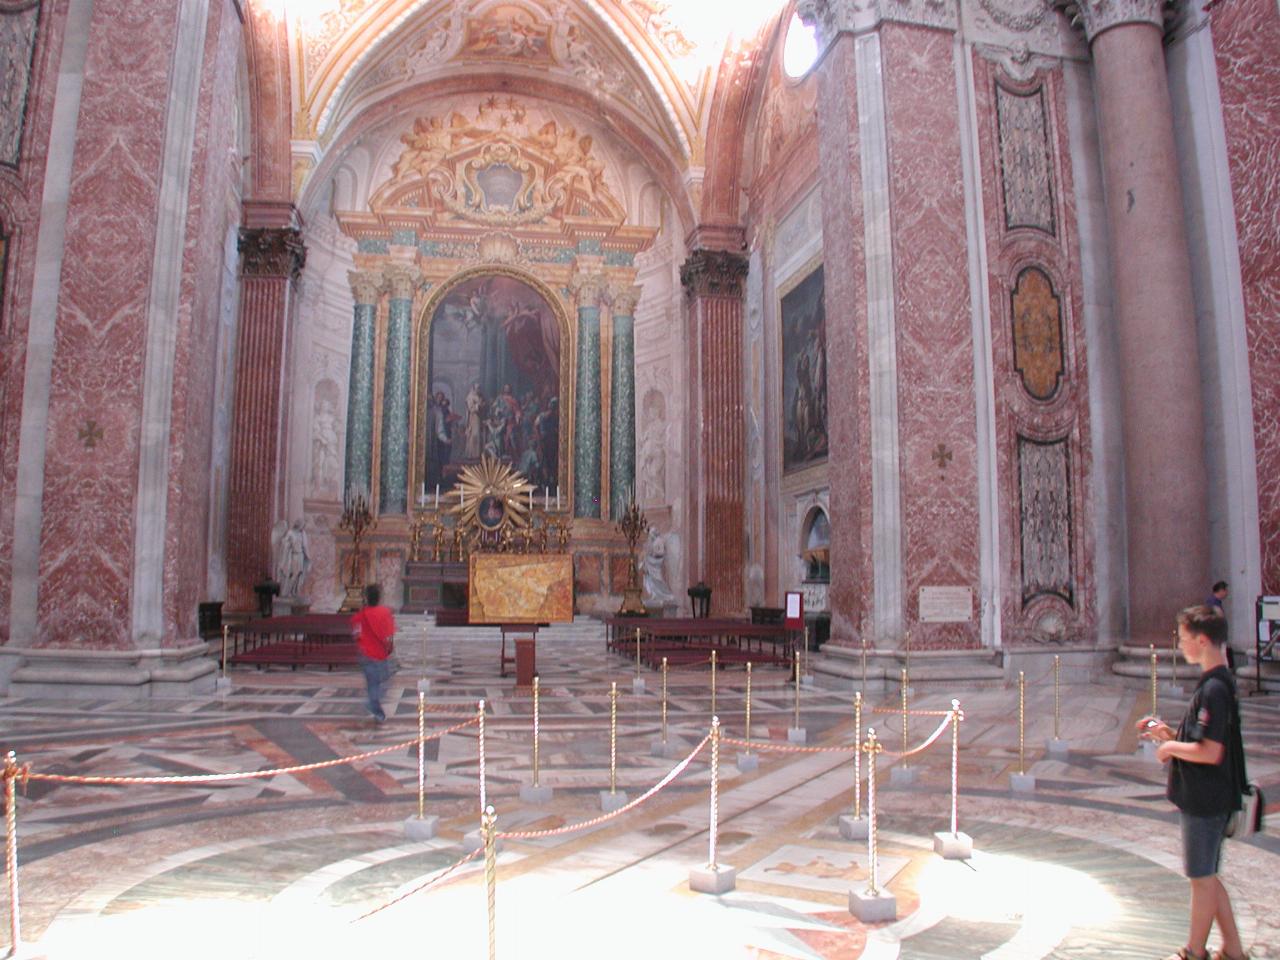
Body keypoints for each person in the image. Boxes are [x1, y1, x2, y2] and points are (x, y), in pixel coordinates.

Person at [1138, 606, 1248, 960]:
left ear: (1202, 640)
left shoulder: (1214, 688)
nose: (1182, 645)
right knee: (1208, 876)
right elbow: (1203, 739)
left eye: (1185, 639)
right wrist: (1168, 734)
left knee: (1201, 878)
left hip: (1205, 799)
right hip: (1210, 796)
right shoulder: (1217, 683)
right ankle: (1232, 948)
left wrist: (1170, 747)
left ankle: (1194, 951)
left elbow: (1211, 751)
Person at [351, 583, 396, 724]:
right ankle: (373, 704)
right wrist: (390, 648)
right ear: (378, 598)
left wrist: (362, 646)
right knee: (384, 682)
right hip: (380, 654)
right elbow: (389, 635)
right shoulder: (385, 613)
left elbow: (356, 635)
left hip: (364, 654)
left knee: (372, 683)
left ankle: (377, 711)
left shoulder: (359, 616)